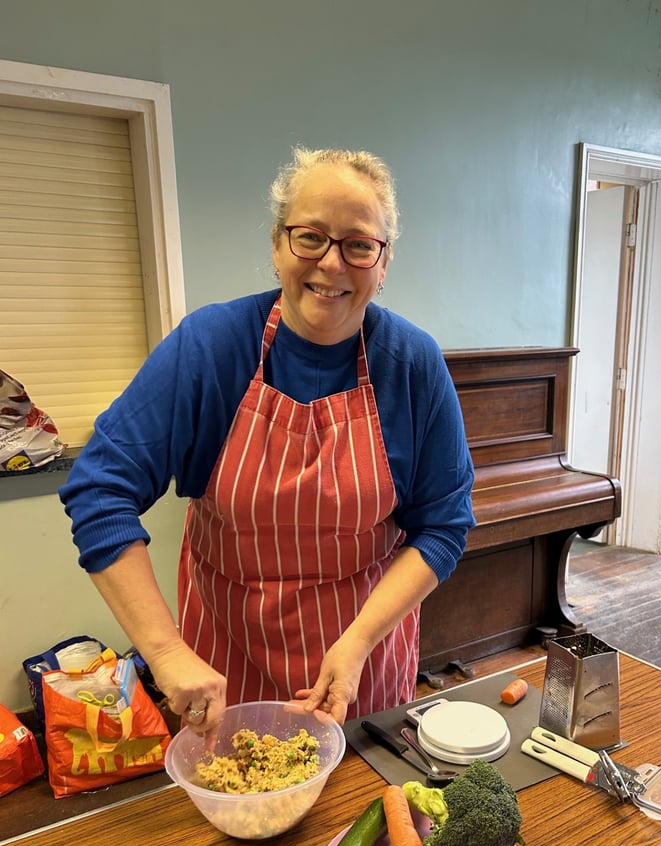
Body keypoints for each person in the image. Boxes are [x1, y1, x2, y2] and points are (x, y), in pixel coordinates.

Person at [59, 146, 475, 748]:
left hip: (363, 661)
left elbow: (444, 526)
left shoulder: (412, 364)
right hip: (227, 663)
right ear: (278, 244)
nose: (332, 264)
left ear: (383, 264)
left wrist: (358, 642)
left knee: (367, 819)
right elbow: (99, 490)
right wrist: (166, 652)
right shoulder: (211, 347)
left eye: (359, 245)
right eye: (310, 236)